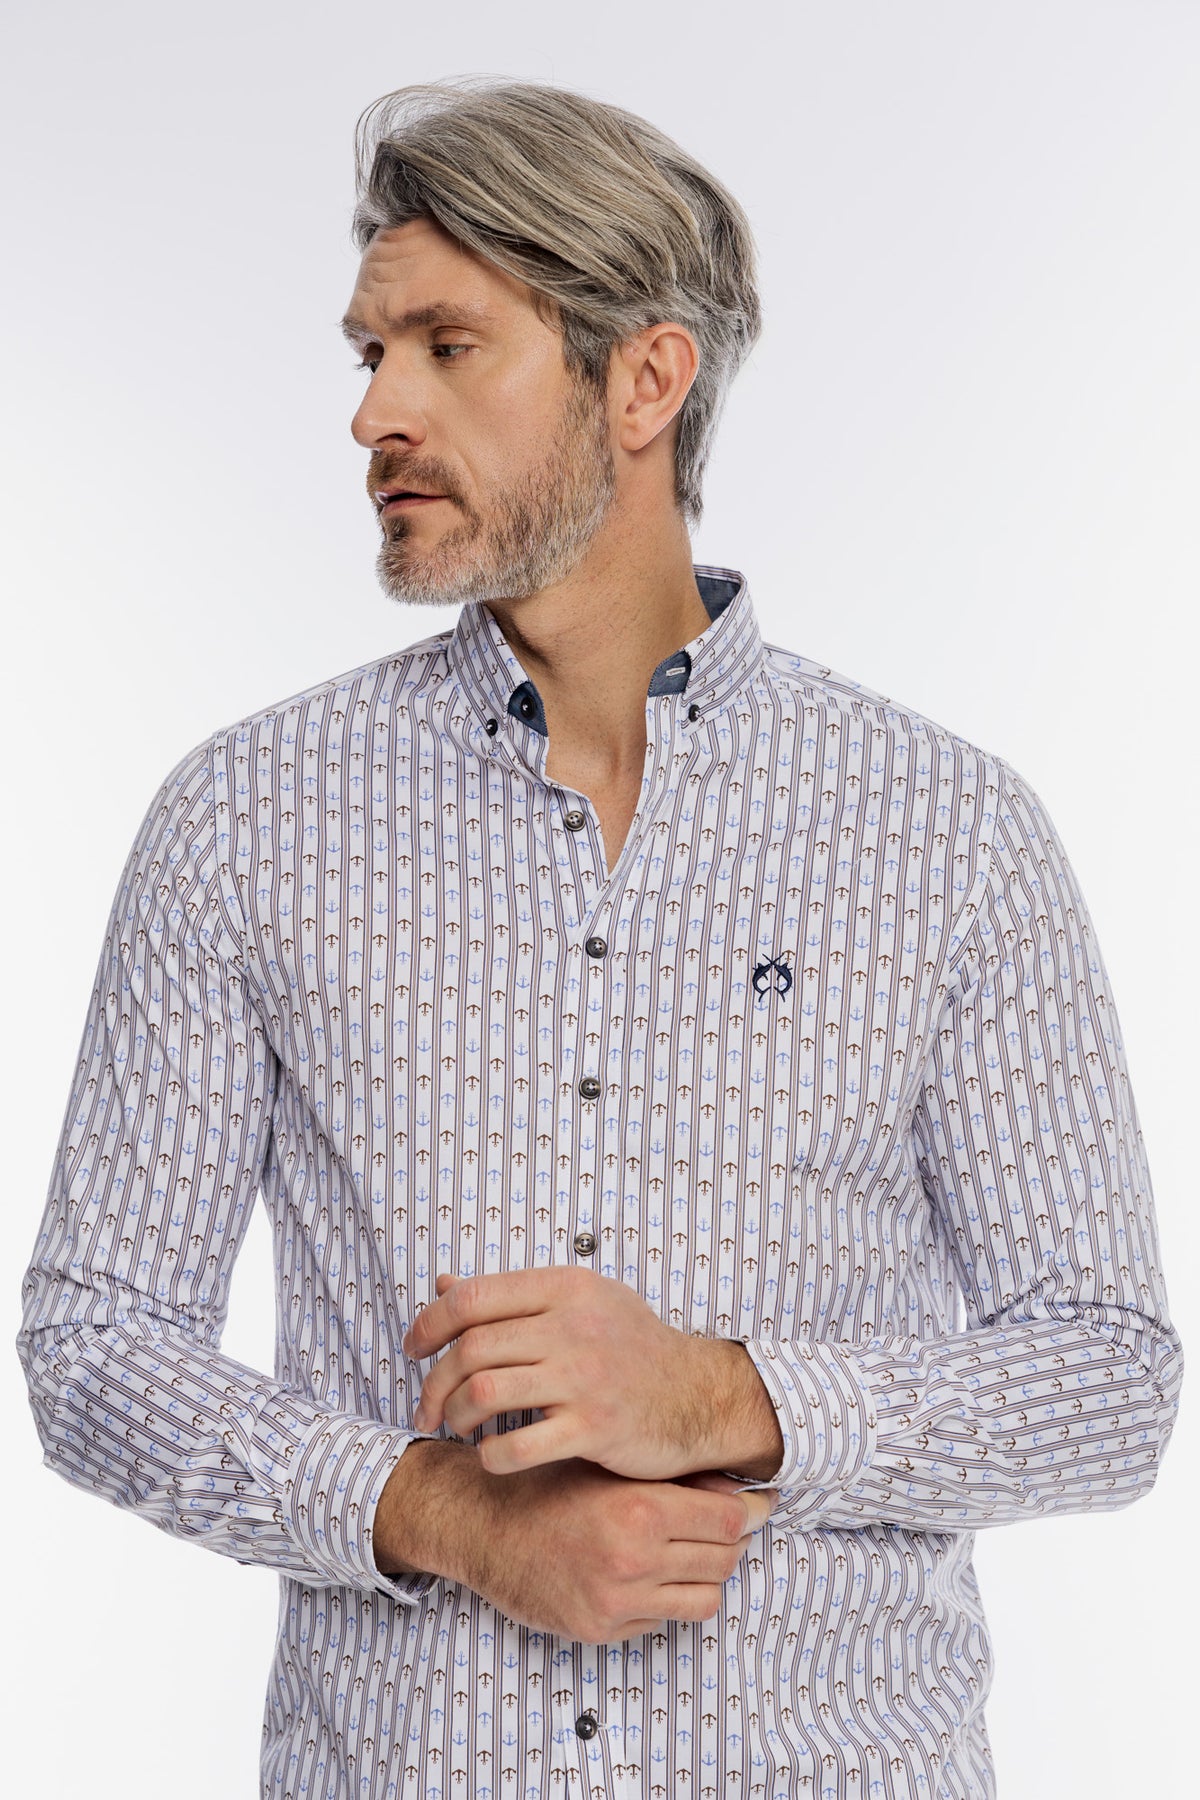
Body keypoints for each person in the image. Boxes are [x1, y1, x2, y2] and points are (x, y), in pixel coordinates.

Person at [16, 76, 1183, 1800]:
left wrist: (726, 1400)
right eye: (370, 353)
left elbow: (1109, 1374)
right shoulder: (244, 819)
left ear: (645, 380)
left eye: (448, 348)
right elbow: (94, 1341)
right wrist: (443, 1516)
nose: (376, 413)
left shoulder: (950, 833)